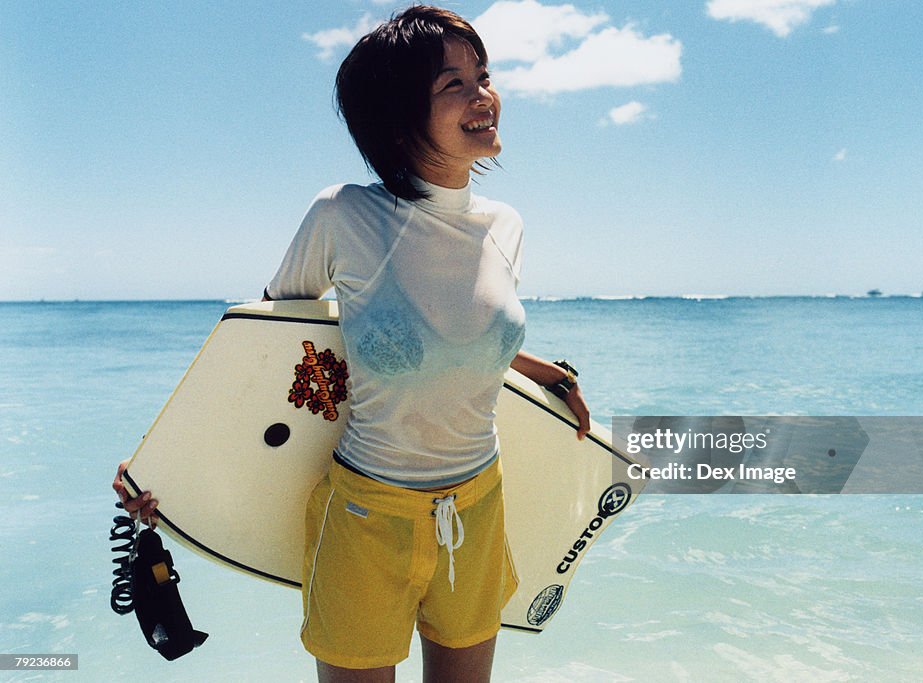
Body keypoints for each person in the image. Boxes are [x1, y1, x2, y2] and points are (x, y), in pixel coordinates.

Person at [113, 6, 590, 681]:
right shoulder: (344, 216)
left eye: (482, 75)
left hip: (479, 507)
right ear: (399, 118)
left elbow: (455, 331)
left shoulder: (505, 226)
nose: (483, 96)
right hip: (366, 518)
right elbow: (261, 356)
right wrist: (164, 465)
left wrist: (546, 374)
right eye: (453, 84)